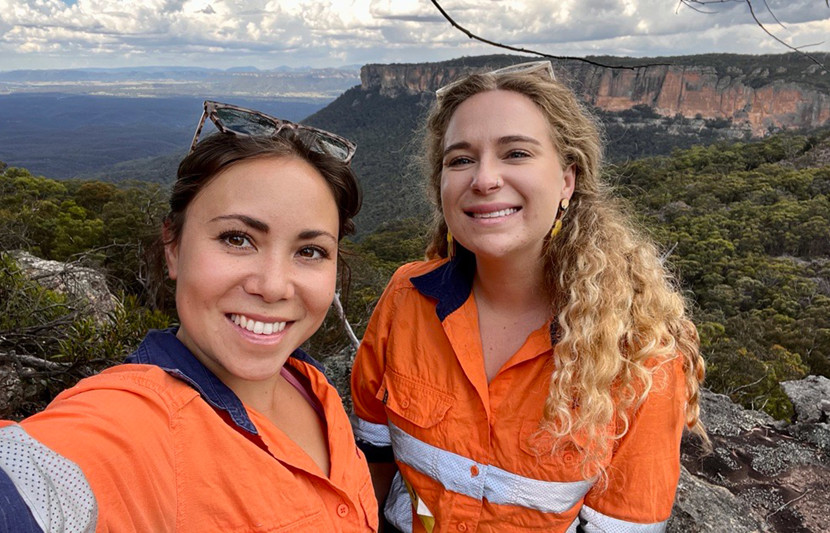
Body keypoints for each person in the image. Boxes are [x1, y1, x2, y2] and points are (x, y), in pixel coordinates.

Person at [350, 61, 708, 532]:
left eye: (516, 153)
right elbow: (371, 466)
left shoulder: (642, 354)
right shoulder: (406, 299)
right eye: (459, 159)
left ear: (567, 180)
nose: (484, 179)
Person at [0, 101, 378, 532]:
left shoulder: (312, 386)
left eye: (309, 251)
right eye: (237, 239)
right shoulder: (135, 426)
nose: (273, 286)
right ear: (174, 247)